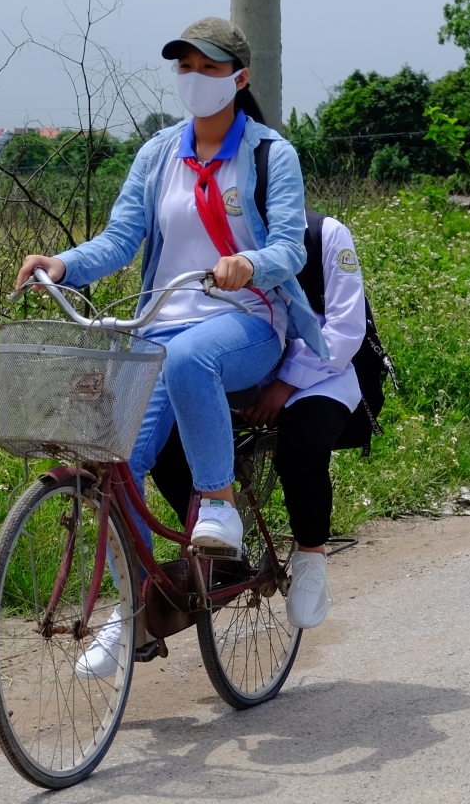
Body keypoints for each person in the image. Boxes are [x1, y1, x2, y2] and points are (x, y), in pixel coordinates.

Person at [14, 17, 327, 678]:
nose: (195, 79)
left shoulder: (271, 154)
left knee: (193, 358)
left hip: (247, 322)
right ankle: (137, 612)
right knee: (112, 458)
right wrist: (62, 264)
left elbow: (291, 247)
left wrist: (250, 264)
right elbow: (117, 242)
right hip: (156, 326)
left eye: (210, 67)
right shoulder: (158, 153)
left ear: (239, 79)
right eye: (185, 66)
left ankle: (218, 505)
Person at [151, 208, 386, 631]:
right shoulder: (211, 232)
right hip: (241, 367)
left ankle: (311, 555)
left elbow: (346, 328)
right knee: (167, 441)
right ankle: (227, 552)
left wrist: (288, 382)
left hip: (319, 373)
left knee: (301, 446)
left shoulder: (323, 234)